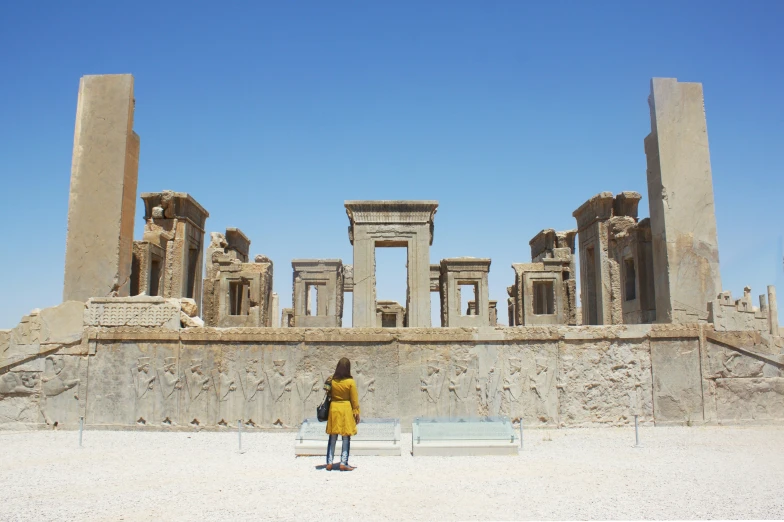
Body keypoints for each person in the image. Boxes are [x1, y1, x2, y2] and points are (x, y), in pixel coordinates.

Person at [324, 357, 360, 471]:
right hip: (345, 408)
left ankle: (329, 462)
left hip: (334, 408)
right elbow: (354, 399)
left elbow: (327, 392)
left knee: (333, 436)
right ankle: (343, 462)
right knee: (345, 436)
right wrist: (357, 412)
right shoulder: (350, 382)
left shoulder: (332, 380)